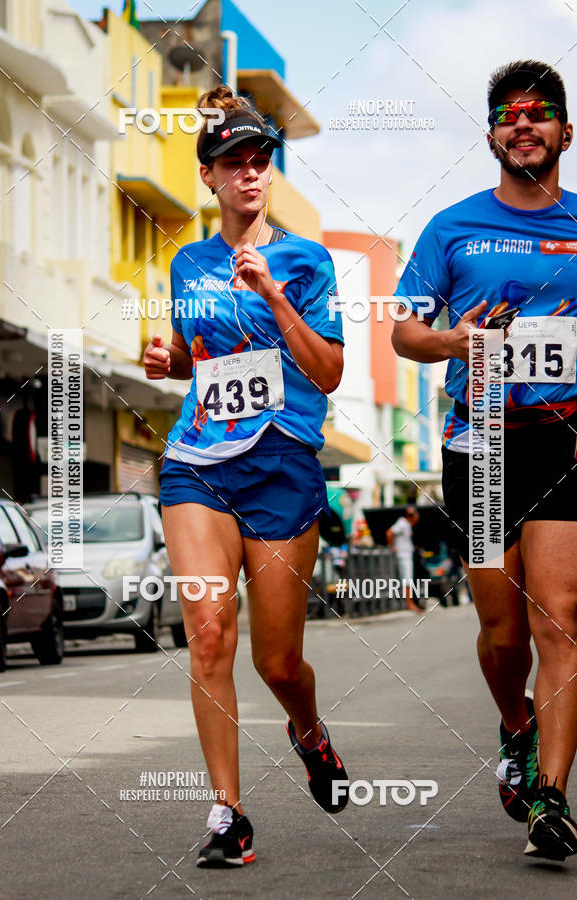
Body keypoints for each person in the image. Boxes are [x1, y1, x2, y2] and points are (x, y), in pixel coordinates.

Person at [143, 85, 349, 868]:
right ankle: (228, 812)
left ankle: (308, 730)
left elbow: (327, 371)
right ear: (210, 178)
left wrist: (270, 292)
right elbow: (202, 357)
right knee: (206, 635)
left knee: (277, 662)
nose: (250, 174)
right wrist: (172, 360)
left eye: (260, 159)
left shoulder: (304, 259)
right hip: (199, 461)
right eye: (234, 163)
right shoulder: (186, 261)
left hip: (281, 462)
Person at [391, 60, 577, 862]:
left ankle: (550, 799)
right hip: (484, 444)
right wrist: (456, 340)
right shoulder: (451, 228)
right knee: (503, 633)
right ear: (493, 132)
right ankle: (515, 723)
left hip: (565, 441)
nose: (523, 125)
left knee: (561, 619)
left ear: (566, 132)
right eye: (508, 115)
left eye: (539, 114)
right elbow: (404, 331)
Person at [385, 507, 421, 612]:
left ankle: (408, 603)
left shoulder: (406, 524)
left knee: (406, 579)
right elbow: (389, 532)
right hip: (403, 554)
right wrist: (392, 546)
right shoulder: (403, 523)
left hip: (405, 553)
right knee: (407, 580)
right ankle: (409, 604)